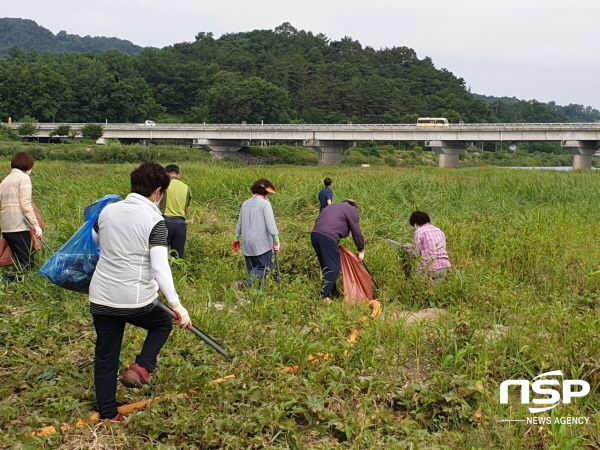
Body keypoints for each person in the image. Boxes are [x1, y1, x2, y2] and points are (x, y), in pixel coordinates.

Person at [89, 162, 192, 423]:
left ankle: (108, 413)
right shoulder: (154, 221)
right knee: (162, 324)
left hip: (101, 295)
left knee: (105, 355)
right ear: (158, 191)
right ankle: (142, 367)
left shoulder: (107, 212)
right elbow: (160, 266)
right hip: (135, 298)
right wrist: (177, 305)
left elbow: (97, 242)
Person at [0, 152, 43, 282]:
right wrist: (36, 225)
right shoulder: (23, 178)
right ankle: (7, 281)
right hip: (18, 226)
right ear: (28, 165)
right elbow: (26, 204)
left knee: (19, 260)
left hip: (6, 227)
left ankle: (11, 282)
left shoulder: (5, 180)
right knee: (27, 262)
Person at [311, 199, 365, 300]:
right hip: (328, 236)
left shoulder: (331, 207)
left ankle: (333, 294)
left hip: (315, 235)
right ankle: (322, 297)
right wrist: (361, 249)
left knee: (326, 267)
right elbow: (356, 231)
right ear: (354, 207)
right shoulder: (350, 210)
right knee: (334, 268)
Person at [231, 179, 280, 288]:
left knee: (253, 269)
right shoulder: (265, 204)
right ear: (266, 191)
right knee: (264, 268)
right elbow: (271, 224)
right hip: (261, 243)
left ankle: (254, 295)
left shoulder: (245, 203)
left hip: (246, 242)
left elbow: (239, 223)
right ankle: (244, 284)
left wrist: (236, 238)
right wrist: (276, 240)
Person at [406, 211, 451, 283]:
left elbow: (416, 254)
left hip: (429, 267)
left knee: (422, 286)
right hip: (443, 265)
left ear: (415, 223)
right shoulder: (438, 230)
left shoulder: (419, 232)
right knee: (437, 291)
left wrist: (408, 250)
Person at [159, 164, 192, 258]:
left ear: (165, 174)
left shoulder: (163, 185)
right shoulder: (187, 188)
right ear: (179, 174)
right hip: (181, 224)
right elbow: (186, 209)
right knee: (178, 256)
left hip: (165, 222)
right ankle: (179, 272)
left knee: (160, 254)